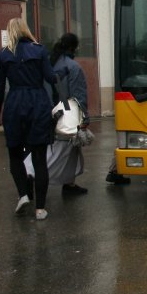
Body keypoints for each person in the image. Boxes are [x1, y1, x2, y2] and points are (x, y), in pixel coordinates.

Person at [0, 17, 57, 221]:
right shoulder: (40, 50)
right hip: (38, 103)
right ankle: (40, 209)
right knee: (39, 159)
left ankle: (23, 195)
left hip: (15, 105)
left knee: (15, 155)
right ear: (26, 30)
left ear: (10, 32)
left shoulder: (4, 55)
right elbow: (50, 77)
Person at [48, 33, 89, 195]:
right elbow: (78, 96)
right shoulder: (73, 67)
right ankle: (32, 176)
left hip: (51, 111)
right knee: (62, 151)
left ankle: (69, 183)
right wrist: (84, 118)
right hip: (68, 114)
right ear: (74, 47)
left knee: (65, 150)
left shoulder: (51, 62)